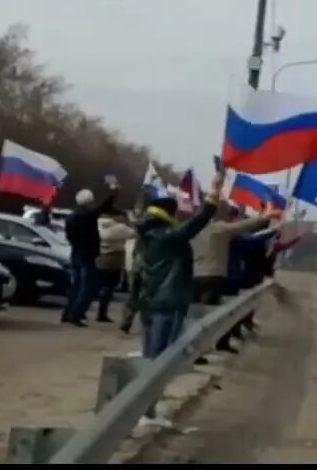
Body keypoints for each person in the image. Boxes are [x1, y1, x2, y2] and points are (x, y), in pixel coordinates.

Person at [134, 170, 226, 424]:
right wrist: (213, 194)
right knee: (160, 362)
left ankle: (144, 410)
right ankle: (146, 411)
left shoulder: (146, 234)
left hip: (150, 302)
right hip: (169, 302)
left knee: (150, 359)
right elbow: (195, 224)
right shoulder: (166, 236)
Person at [191, 203, 279, 354]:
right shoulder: (220, 230)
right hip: (216, 278)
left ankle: (197, 351)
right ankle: (208, 347)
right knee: (214, 317)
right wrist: (268, 219)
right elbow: (247, 233)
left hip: (194, 278)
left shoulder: (190, 230)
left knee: (196, 318)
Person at [61, 176, 120, 326]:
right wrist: (113, 189)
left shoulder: (71, 217)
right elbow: (106, 205)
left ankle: (68, 313)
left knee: (75, 286)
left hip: (75, 253)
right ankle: (76, 314)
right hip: (87, 256)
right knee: (88, 287)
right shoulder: (87, 216)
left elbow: (69, 237)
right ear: (88, 202)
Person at [94, 209, 134, 323]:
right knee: (108, 287)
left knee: (97, 286)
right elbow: (134, 233)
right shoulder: (120, 228)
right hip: (114, 259)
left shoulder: (98, 225)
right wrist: (130, 221)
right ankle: (102, 313)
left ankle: (80, 311)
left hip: (99, 257)